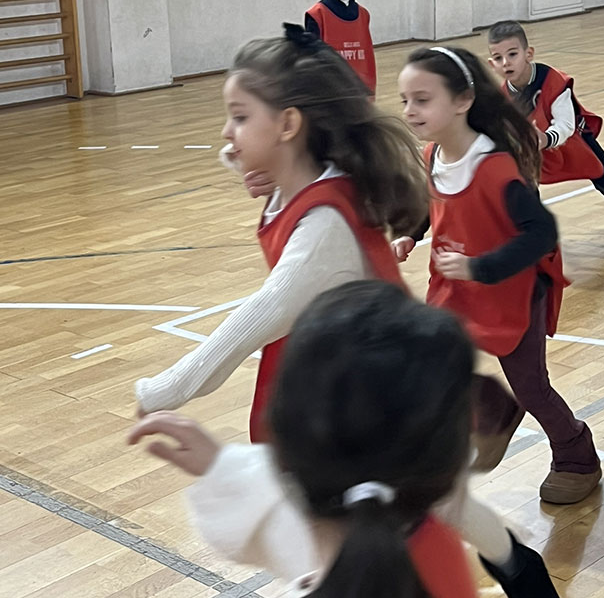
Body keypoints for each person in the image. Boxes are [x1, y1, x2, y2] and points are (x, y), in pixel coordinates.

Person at [130, 283, 568, 598]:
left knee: (438, 514)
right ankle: (514, 561)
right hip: (386, 402)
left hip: (382, 398)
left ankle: (513, 562)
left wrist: (171, 399)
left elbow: (267, 307)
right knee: (438, 516)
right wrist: (222, 465)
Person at [134, 24, 426, 441]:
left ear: (288, 124)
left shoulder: (323, 228)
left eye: (240, 117)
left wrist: (165, 390)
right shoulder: (306, 178)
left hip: (363, 399)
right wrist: (247, 158)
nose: (226, 132)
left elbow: (255, 319)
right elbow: (249, 154)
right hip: (330, 367)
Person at [394, 46, 603, 505]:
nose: (409, 110)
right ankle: (488, 412)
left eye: (422, 99)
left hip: (513, 285)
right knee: (424, 357)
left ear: (463, 100)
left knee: (531, 387)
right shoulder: (432, 154)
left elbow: (541, 233)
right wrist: (410, 233)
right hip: (454, 283)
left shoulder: (495, 168)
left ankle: (576, 455)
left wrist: (480, 267)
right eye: (405, 100)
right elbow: (432, 202)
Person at [487, 20, 604, 229]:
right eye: (498, 58)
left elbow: (565, 124)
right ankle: (533, 229)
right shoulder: (501, 98)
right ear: (492, 64)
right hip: (536, 149)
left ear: (529, 54)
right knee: (523, 184)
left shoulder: (552, 80)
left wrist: (545, 138)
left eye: (512, 54)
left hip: (574, 140)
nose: (506, 63)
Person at [304, 0, 377, 96]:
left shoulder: (363, 14)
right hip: (330, 90)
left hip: (359, 89)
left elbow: (367, 55)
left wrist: (369, 89)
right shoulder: (316, 14)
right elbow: (311, 58)